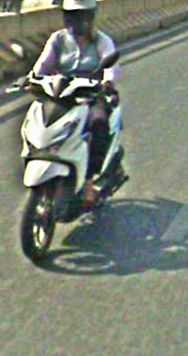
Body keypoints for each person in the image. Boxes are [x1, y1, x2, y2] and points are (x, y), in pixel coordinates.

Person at [32, 0, 120, 206]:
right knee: (40, 119)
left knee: (98, 123)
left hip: (91, 95)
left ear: (91, 16)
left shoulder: (102, 41)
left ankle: (89, 181)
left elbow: (111, 68)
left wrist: (107, 83)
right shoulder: (58, 39)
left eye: (81, 16)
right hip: (61, 94)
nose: (76, 21)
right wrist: (32, 79)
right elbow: (42, 66)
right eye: (71, 16)